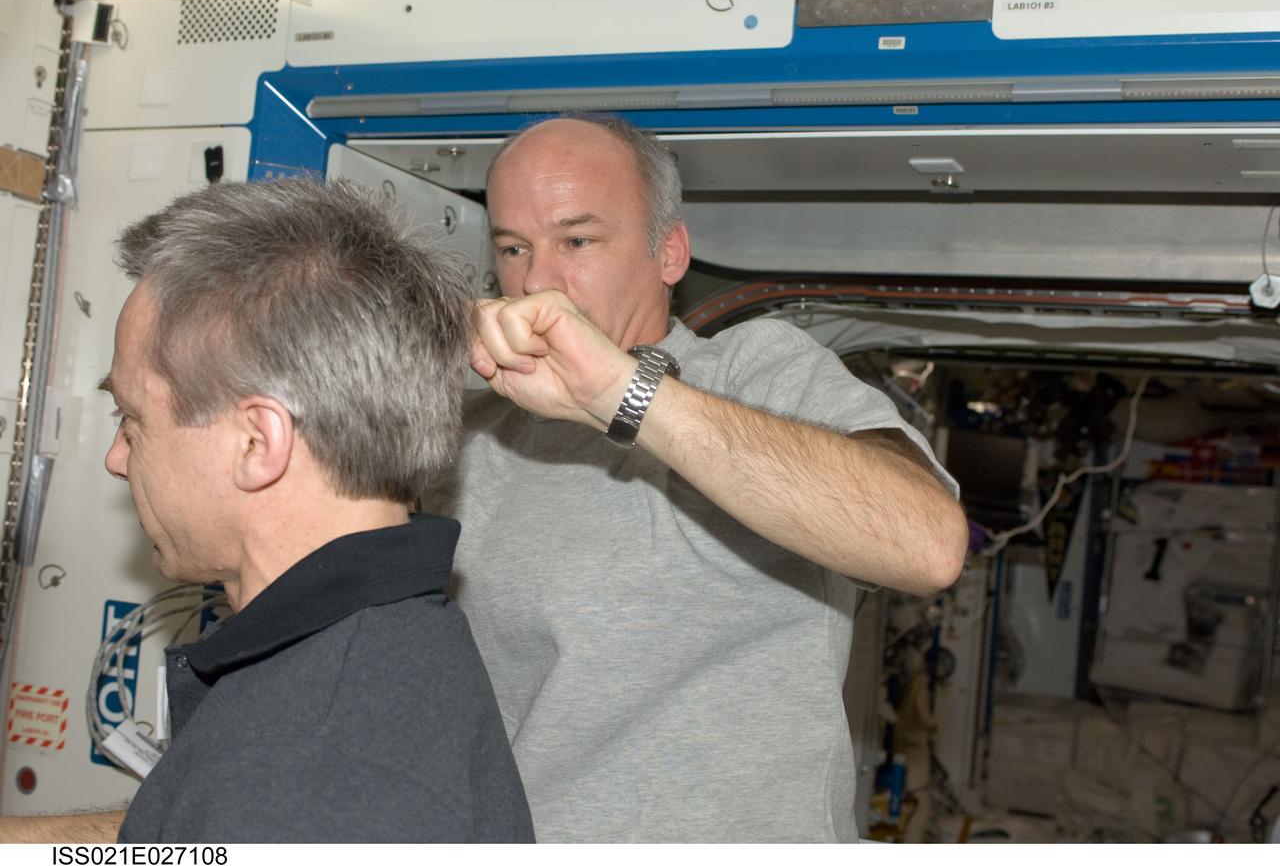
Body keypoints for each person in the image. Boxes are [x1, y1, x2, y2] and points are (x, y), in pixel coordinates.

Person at [421, 115, 969, 842]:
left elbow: (925, 542)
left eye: (577, 241)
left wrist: (622, 395)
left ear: (669, 253)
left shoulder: (754, 372)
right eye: (514, 249)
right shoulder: (471, 430)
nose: (536, 282)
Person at [2, 179, 534, 843]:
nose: (116, 456)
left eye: (131, 419)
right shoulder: (381, 649)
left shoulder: (306, 767)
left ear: (258, 443)